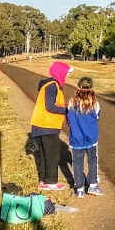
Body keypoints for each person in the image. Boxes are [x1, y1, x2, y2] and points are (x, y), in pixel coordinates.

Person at [30, 61, 73, 191]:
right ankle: (51, 181)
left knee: (44, 154)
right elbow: (50, 106)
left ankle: (44, 181)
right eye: (65, 73)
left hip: (41, 124)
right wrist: (67, 110)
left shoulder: (49, 85)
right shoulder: (52, 86)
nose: (66, 77)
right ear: (60, 73)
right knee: (52, 154)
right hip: (47, 125)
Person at [67, 76, 105, 198]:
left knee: (77, 163)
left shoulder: (72, 102)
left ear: (78, 86)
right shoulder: (95, 103)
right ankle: (93, 185)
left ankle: (80, 189)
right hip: (91, 138)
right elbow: (98, 117)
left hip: (76, 138)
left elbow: (69, 117)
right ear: (91, 87)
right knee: (92, 160)